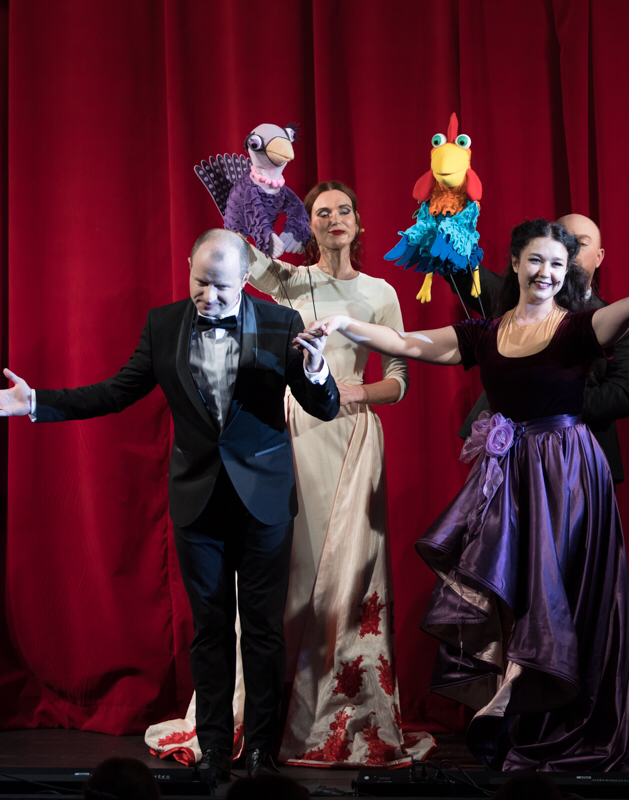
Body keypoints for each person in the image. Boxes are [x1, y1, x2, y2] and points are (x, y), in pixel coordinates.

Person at [301, 218, 629, 773]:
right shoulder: (485, 333)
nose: (546, 272)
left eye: (557, 264)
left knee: (556, 593)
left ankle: (550, 710)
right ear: (516, 263)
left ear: (568, 273)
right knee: (511, 592)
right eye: (536, 260)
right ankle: (520, 713)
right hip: (509, 477)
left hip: (568, 478)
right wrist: (343, 324)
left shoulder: (578, 328)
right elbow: (404, 343)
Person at [0, 229, 341, 785]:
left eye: (221, 287)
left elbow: (323, 407)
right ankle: (213, 747)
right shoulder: (163, 324)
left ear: (245, 279)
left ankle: (262, 752)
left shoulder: (281, 323)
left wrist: (316, 372)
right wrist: (36, 404)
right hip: (197, 500)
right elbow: (116, 392)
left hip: (263, 500)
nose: (208, 296)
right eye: (200, 282)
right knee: (209, 629)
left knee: (263, 631)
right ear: (188, 267)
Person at [147, 182, 435, 768]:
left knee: (344, 582)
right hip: (289, 437)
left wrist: (354, 391)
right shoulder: (288, 281)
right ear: (308, 224)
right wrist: (258, 183)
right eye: (321, 212)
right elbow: (234, 248)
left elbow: (400, 378)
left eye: (343, 210)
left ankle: (332, 714)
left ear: (359, 221)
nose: (333, 219)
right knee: (282, 585)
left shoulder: (380, 292)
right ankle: (258, 722)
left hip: (350, 439)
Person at [457, 213, 629, 483]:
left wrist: (546, 399)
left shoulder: (619, 322)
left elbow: (621, 396)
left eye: (580, 243)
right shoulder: (515, 298)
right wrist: (447, 231)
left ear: (599, 257)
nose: (570, 248)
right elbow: (472, 278)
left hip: (581, 467)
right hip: (509, 459)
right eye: (564, 239)